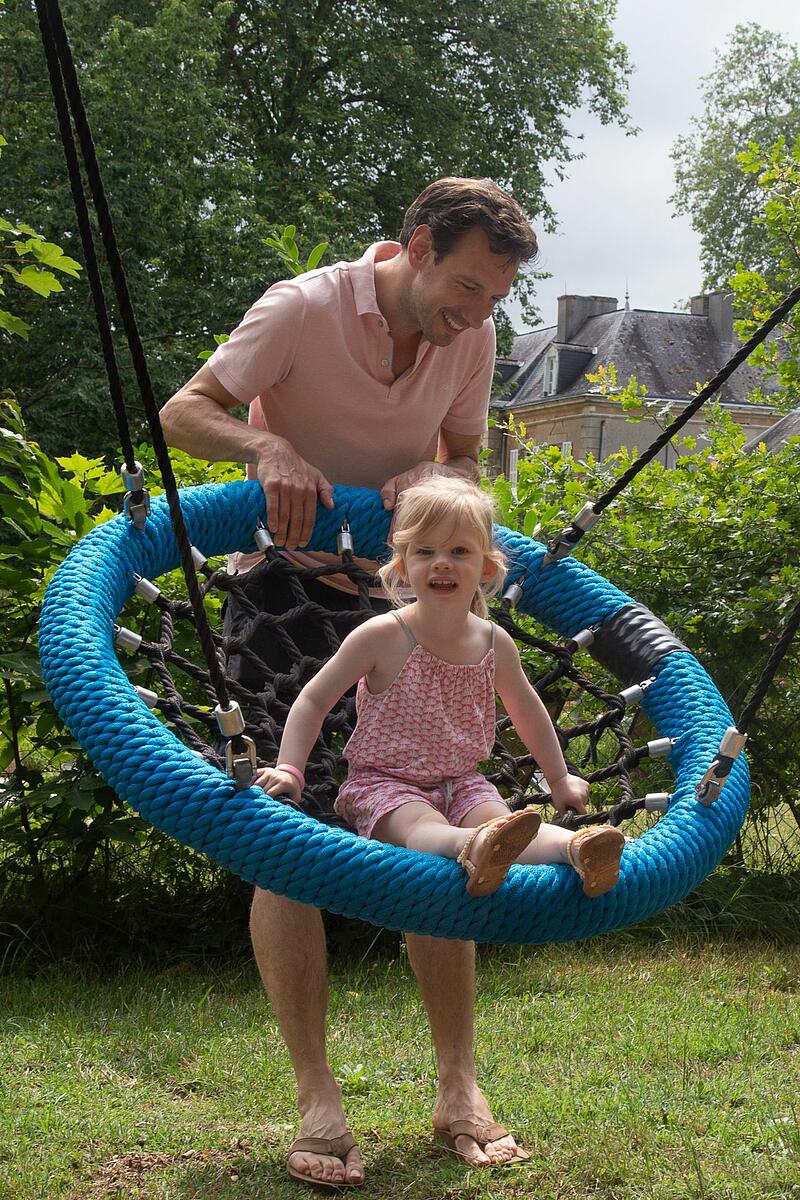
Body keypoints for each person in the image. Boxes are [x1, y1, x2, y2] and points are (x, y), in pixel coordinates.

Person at [160, 177, 542, 1189]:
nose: (474, 315)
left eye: (492, 300)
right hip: (284, 590)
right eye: (462, 288)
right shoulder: (301, 307)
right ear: (415, 247)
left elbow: (460, 455)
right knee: (284, 840)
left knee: (435, 818)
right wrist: (265, 445)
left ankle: (458, 1084)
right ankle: (317, 1103)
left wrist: (437, 485)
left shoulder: (470, 333)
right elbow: (182, 412)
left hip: (412, 597)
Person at [255, 478, 624, 903]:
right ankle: (468, 847)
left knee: (507, 828)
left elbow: (527, 709)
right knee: (420, 826)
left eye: (459, 551)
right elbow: (314, 699)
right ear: (401, 566)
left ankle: (578, 849)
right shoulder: (381, 636)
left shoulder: (493, 642)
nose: (441, 563)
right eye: (425, 552)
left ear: (486, 568)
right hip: (384, 786)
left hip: (463, 782)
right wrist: (290, 769)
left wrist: (559, 779)